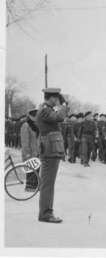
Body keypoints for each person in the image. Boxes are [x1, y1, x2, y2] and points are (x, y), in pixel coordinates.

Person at [36, 88, 68, 223]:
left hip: (51, 149)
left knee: (48, 183)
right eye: (57, 98)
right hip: (50, 150)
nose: (58, 101)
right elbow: (59, 117)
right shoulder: (45, 110)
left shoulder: (46, 109)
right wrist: (64, 106)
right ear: (52, 98)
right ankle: (45, 214)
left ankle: (47, 212)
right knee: (48, 184)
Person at [20, 109, 40, 191]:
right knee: (30, 169)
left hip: (36, 151)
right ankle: (29, 187)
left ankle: (35, 186)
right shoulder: (26, 125)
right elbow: (25, 141)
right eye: (36, 116)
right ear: (31, 116)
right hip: (29, 152)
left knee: (36, 169)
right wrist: (27, 153)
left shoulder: (36, 125)